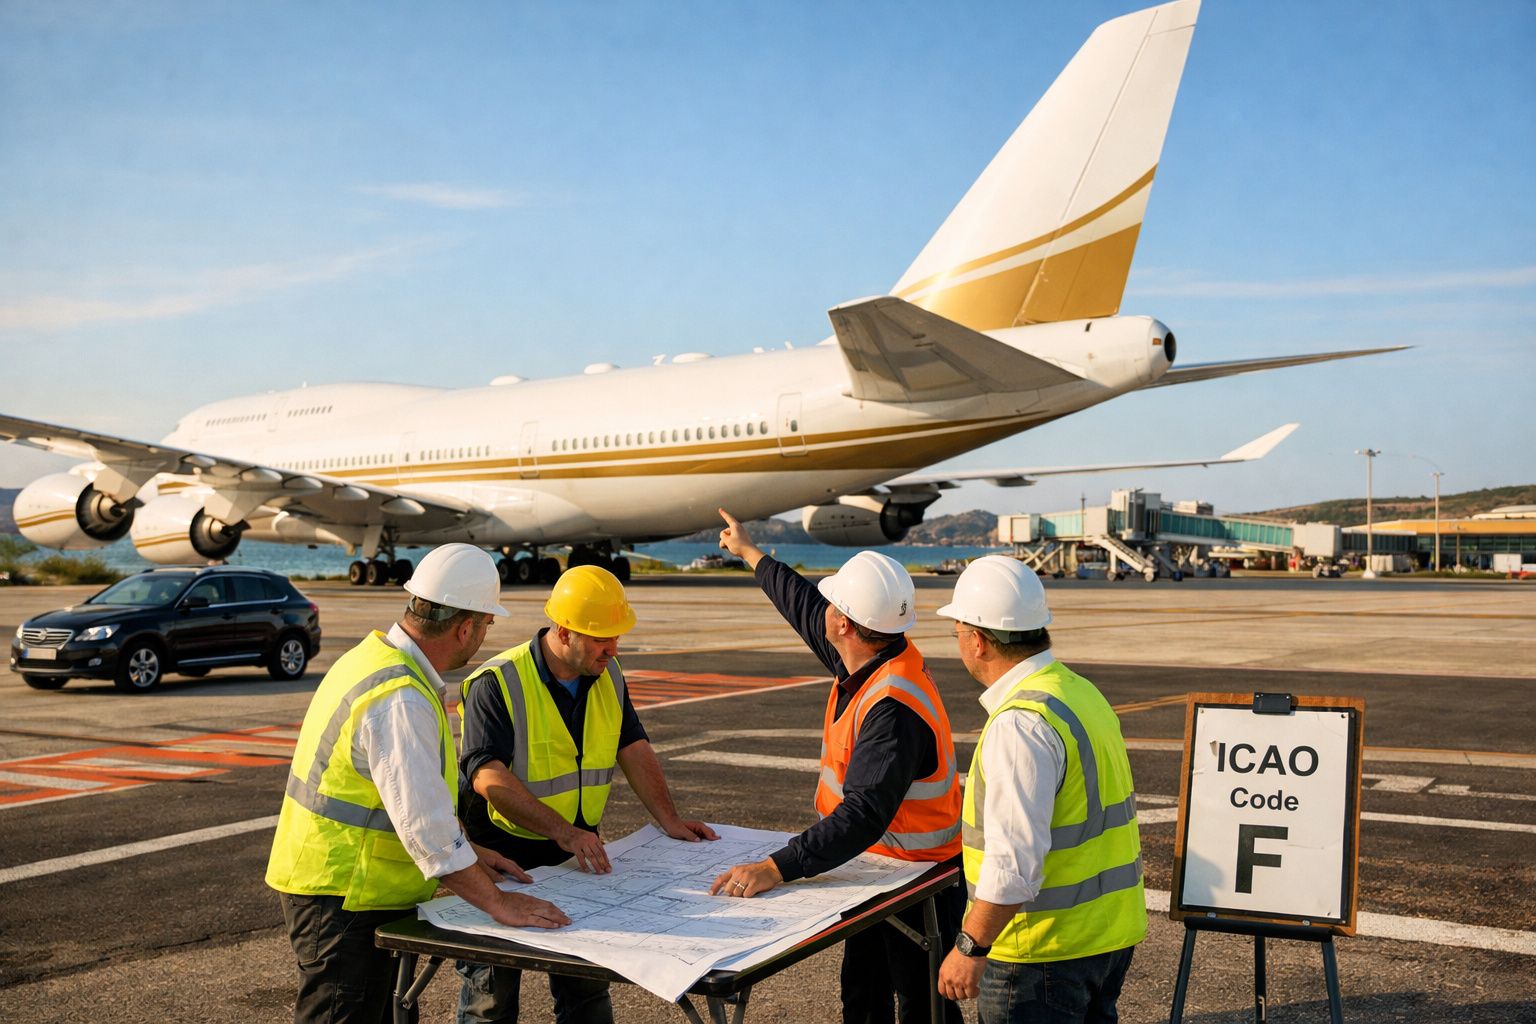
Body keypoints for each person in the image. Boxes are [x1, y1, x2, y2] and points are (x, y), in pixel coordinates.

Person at [267, 543, 569, 1024]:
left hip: (349, 888)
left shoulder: (373, 660)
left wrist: (469, 848)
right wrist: (498, 903)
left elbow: (404, 798)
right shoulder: (400, 697)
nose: (485, 637)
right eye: (487, 625)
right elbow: (426, 827)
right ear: (464, 627)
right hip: (343, 896)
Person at [711, 509, 965, 1024]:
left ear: (844, 623)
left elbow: (864, 811)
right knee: (863, 996)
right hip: (870, 868)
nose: (821, 609)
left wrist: (776, 867)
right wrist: (749, 551)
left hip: (918, 884)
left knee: (924, 1008)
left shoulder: (892, 707)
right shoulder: (872, 654)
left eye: (833, 605)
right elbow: (802, 604)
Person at [456, 563, 718, 1024]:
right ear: (562, 631)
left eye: (616, 637)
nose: (613, 648)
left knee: (587, 993)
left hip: (577, 855)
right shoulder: (498, 683)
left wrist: (669, 820)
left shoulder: (609, 674)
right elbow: (488, 777)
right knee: (489, 1001)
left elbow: (632, 746)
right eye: (602, 638)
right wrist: (565, 832)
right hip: (501, 860)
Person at [934, 556, 1146, 1023]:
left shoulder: (1020, 724)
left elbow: (1013, 864)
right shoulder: (1077, 692)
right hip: (1107, 937)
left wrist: (970, 946)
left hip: (1041, 954)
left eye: (958, 634)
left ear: (979, 641)